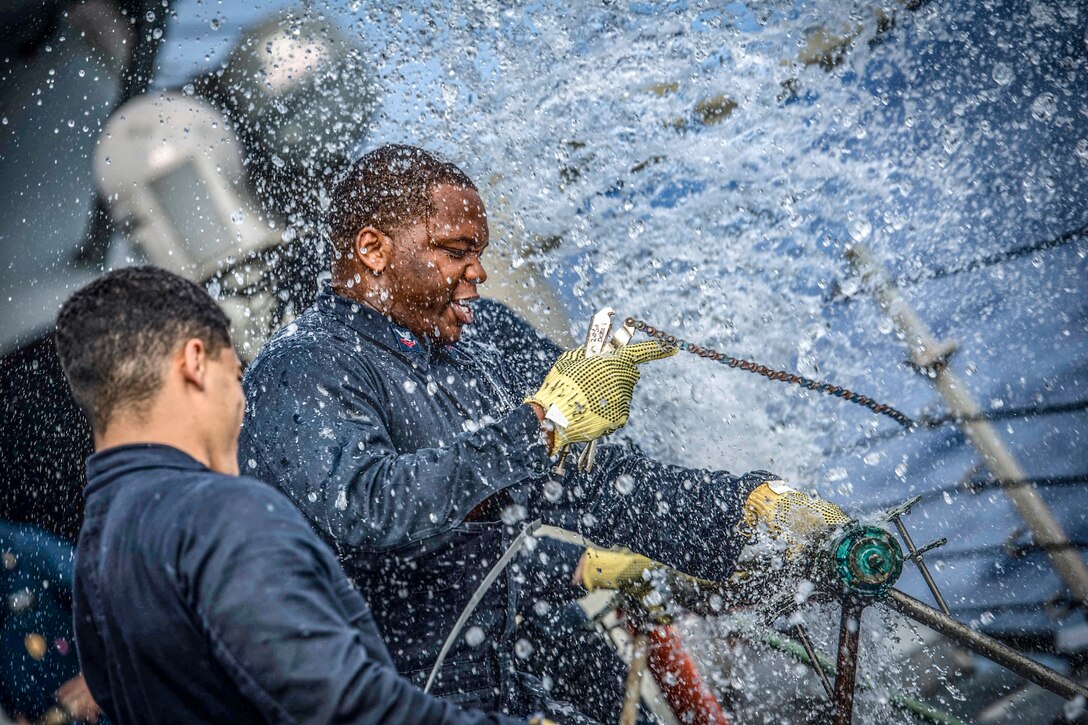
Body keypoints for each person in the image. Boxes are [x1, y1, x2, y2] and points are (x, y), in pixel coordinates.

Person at [238, 145, 790, 720]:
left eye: (478, 253)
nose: (478, 272)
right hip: (406, 702)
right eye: (456, 252)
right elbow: (370, 508)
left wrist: (739, 513)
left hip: (518, 664)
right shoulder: (300, 368)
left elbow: (599, 479)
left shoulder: (487, 336)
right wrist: (540, 427)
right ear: (373, 249)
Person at [54, 265, 534, 725]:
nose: (242, 403)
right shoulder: (221, 515)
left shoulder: (96, 560)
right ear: (196, 363)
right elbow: (350, 709)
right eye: (236, 376)